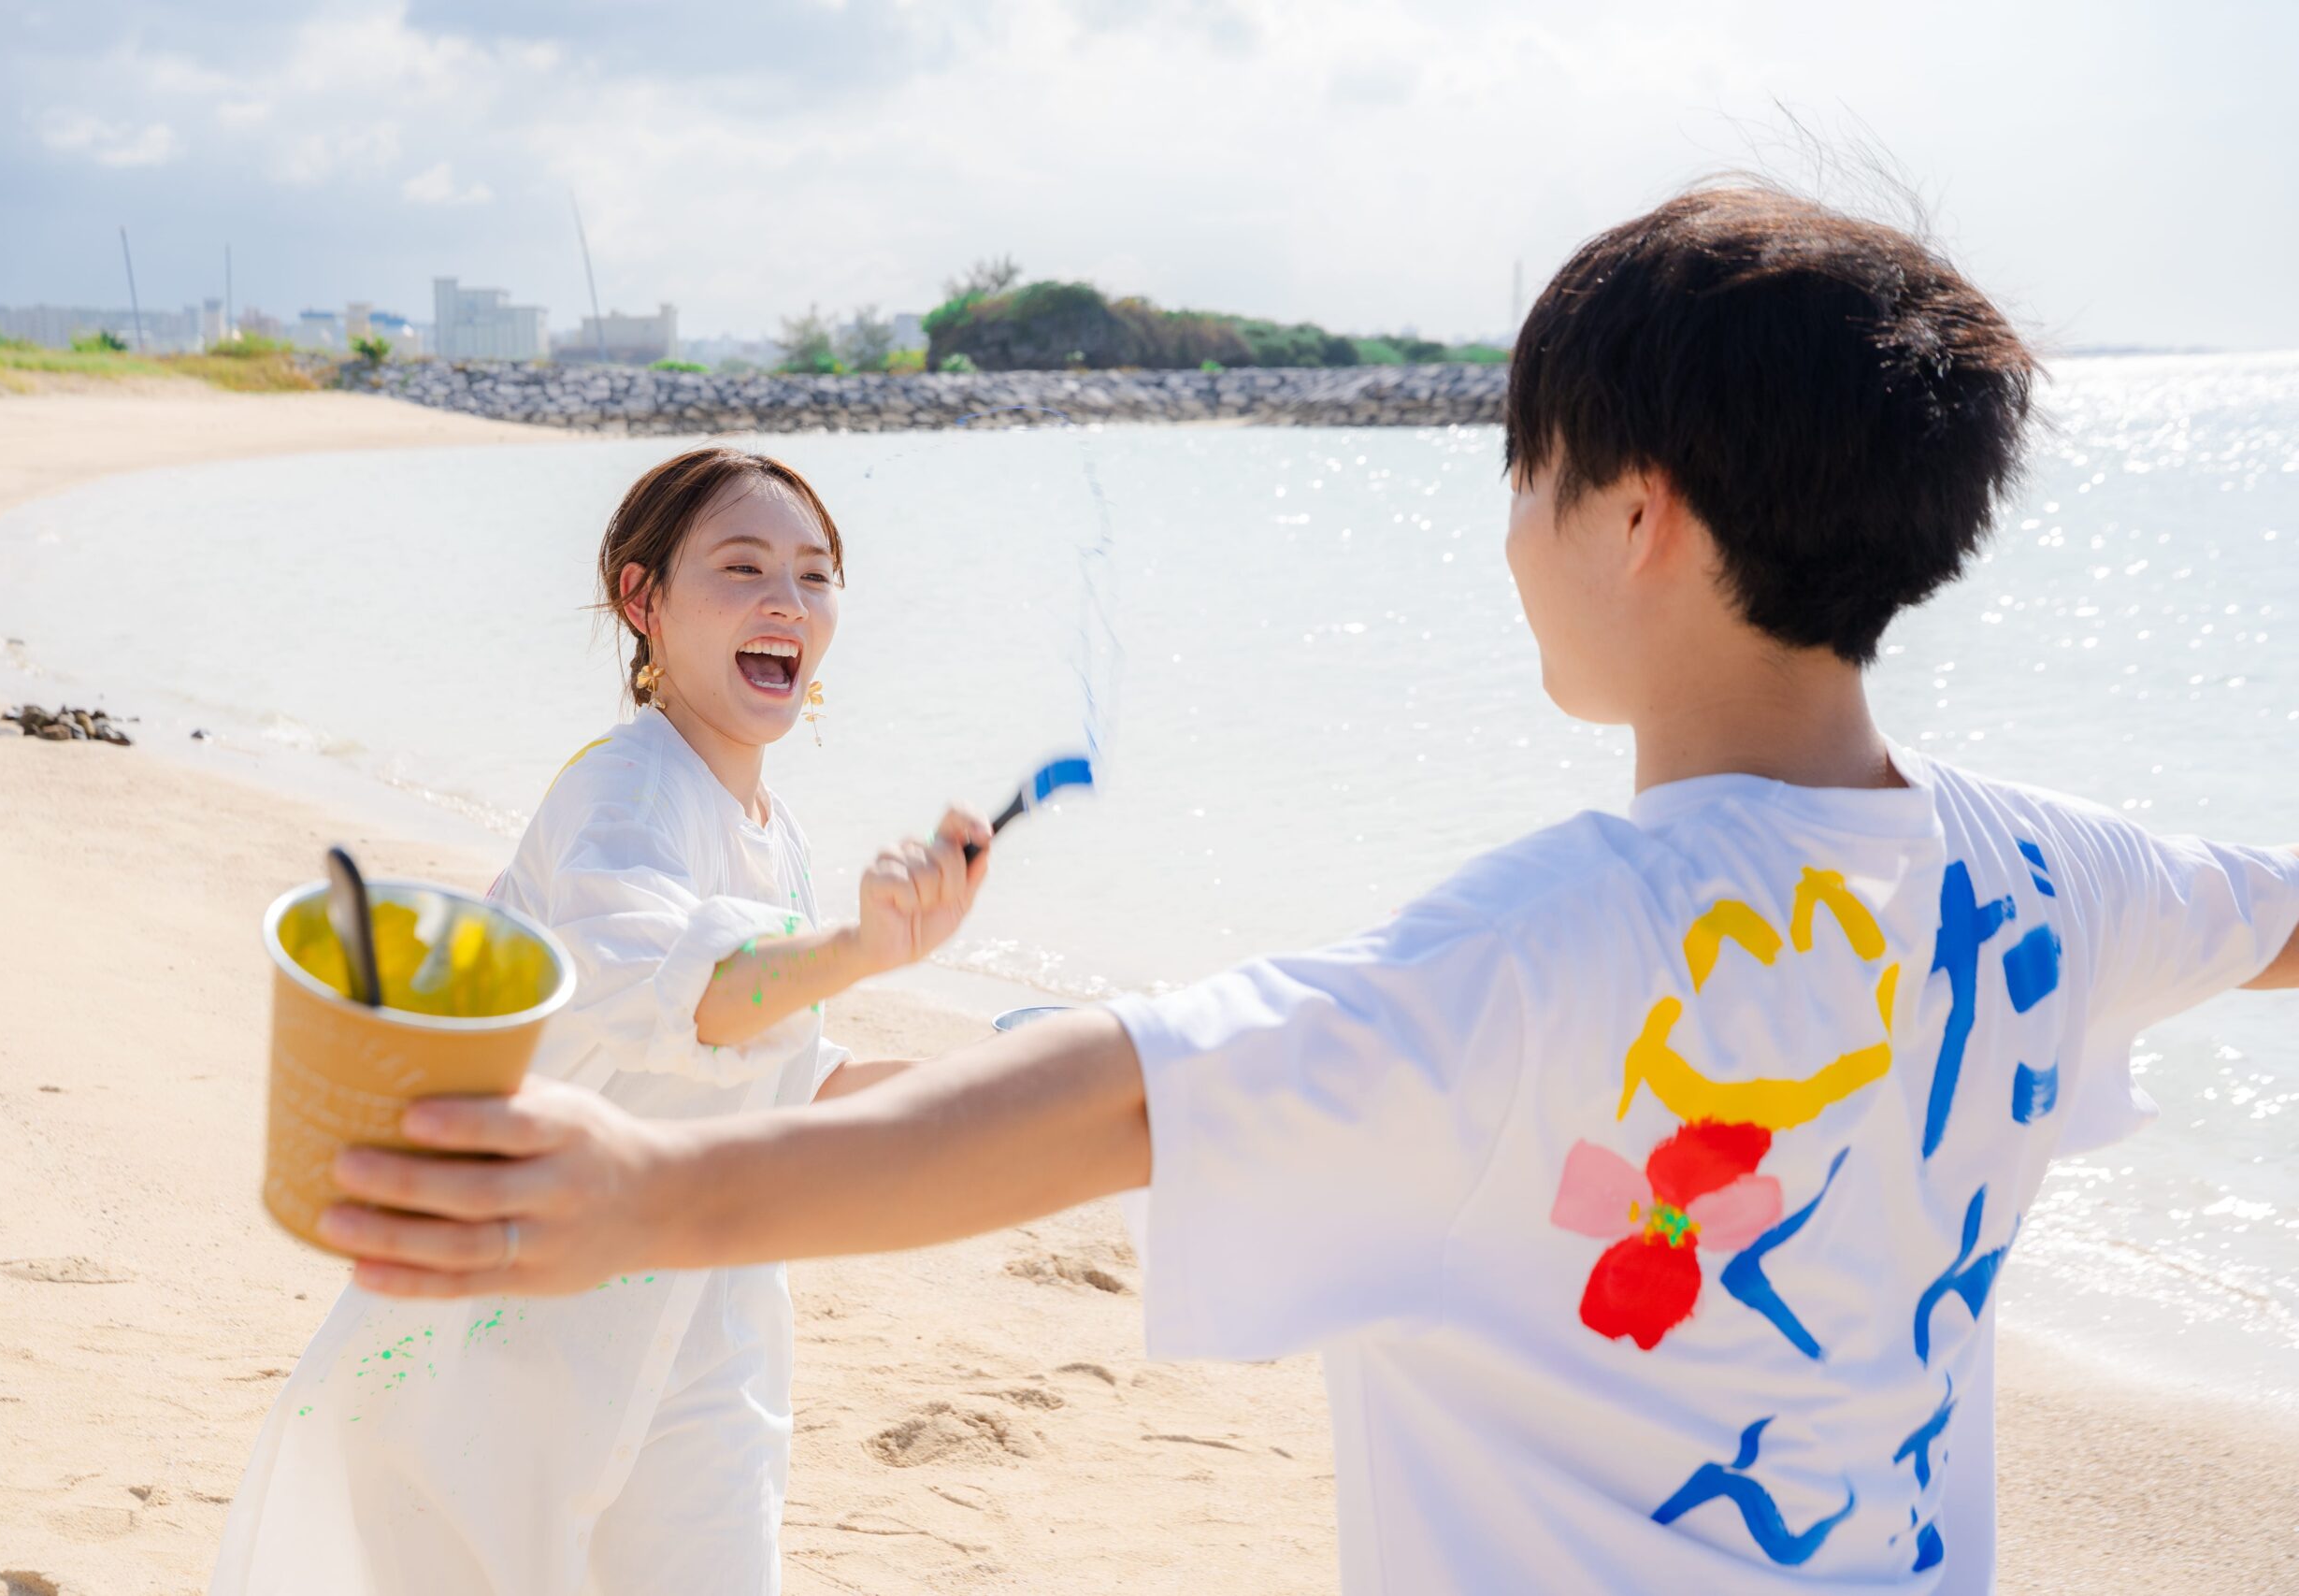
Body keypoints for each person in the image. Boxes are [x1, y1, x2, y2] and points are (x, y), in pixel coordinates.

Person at [315, 191, 2299, 1594]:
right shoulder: (2065, 872)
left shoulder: (1530, 951)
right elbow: (2275, 914)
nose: (1508, 528)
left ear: (1632, 513)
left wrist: (653, 1194)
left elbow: (1110, 1098)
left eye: (1524, 477)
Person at [213, 447, 991, 1596]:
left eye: (815, 576)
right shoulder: (618, 795)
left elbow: (784, 1079)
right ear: (644, 600)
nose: (787, 601)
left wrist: (1018, 1077)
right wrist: (863, 949)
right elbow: (681, 995)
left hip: (704, 1327)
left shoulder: (776, 830)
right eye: (742, 568)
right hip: (522, 1326)